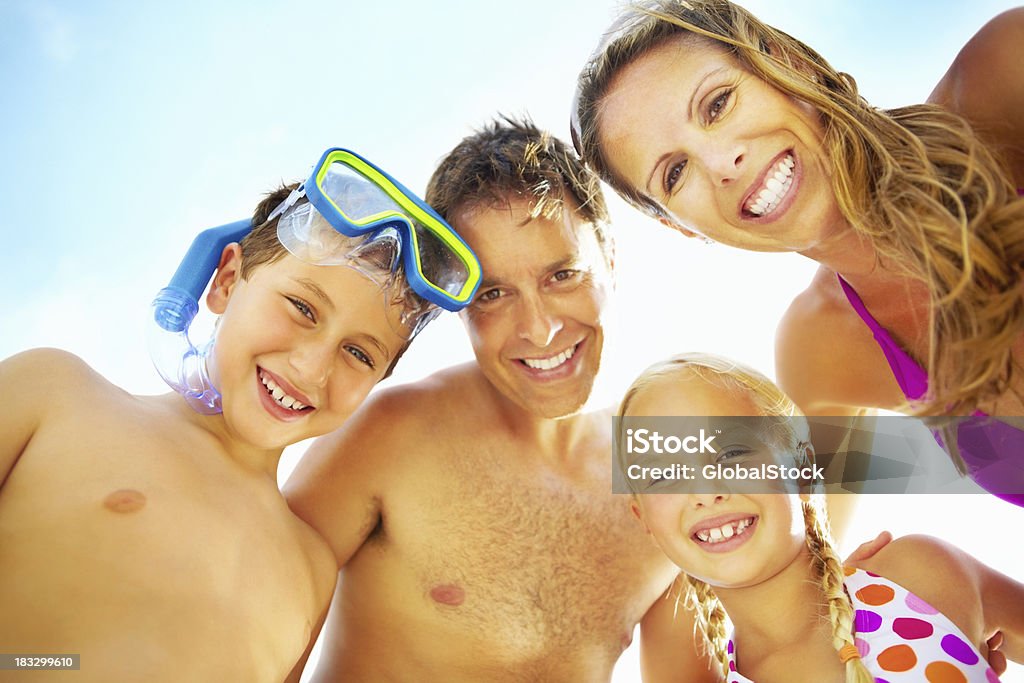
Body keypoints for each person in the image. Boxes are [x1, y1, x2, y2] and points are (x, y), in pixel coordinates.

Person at [0, 148, 479, 682]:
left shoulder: (311, 568)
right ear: (226, 281)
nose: (312, 367)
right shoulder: (57, 393)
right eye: (302, 308)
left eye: (360, 354)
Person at [284, 117, 727, 683]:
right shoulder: (392, 433)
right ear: (456, 301)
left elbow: (838, 457)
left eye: (563, 275)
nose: (539, 330)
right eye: (494, 294)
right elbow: (261, 631)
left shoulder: (663, 468)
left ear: (610, 261)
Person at [571, 0, 1024, 504]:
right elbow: (817, 550)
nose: (723, 163)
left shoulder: (1005, 75)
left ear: (787, 64)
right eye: (675, 173)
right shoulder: (821, 348)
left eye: (718, 104)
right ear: (678, 226)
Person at [617, 352, 1023, 682]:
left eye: (731, 454)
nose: (705, 492)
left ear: (801, 463)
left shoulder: (916, 578)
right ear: (644, 520)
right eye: (664, 475)